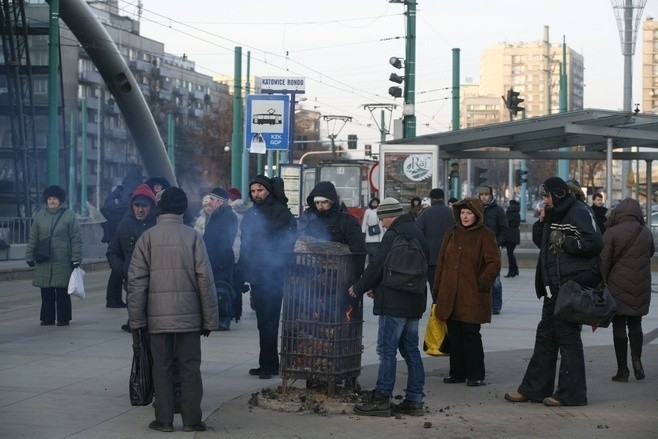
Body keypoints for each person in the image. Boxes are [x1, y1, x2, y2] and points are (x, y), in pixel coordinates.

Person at [127, 186, 219, 433]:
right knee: (190, 367)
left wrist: (136, 321)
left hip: (157, 320)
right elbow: (205, 280)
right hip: (189, 318)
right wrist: (210, 320)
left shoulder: (148, 237)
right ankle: (192, 420)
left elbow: (136, 282)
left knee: (162, 367)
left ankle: (164, 420)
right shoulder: (193, 237)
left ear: (160, 207)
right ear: (183, 209)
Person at [505, 176, 603, 407]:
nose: (544, 201)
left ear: (557, 195)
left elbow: (595, 242)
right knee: (545, 337)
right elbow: (543, 243)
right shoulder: (553, 213)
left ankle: (572, 394)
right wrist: (541, 222)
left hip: (571, 287)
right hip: (553, 287)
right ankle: (534, 389)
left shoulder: (578, 211)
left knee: (568, 339)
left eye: (547, 196)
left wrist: (566, 242)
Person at [348, 198, 430, 417]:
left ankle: (382, 399)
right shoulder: (416, 231)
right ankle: (415, 400)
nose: (382, 224)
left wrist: (359, 287)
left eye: (383, 219)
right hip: (415, 301)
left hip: (394, 304)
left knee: (386, 350)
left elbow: (377, 266)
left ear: (391, 216)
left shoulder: (393, 235)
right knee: (411, 350)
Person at [433, 197, 500, 387]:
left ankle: (476, 374)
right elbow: (442, 262)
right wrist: (437, 288)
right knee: (454, 335)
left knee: (471, 335)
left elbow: (494, 263)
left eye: (469, 213)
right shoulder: (451, 233)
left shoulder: (485, 235)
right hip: (450, 294)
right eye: (462, 212)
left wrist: (481, 283)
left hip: (472, 296)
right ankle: (457, 373)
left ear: (477, 215)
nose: (465, 216)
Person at [238, 175, 297, 379]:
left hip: (274, 275)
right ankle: (267, 363)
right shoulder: (251, 214)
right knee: (263, 322)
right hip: (257, 276)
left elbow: (287, 242)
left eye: (260, 190)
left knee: (269, 321)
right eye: (253, 191)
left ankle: (270, 366)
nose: (256, 195)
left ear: (268, 191)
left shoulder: (280, 212)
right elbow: (246, 244)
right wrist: (242, 272)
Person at [600, 198, 654, 382]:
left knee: (619, 325)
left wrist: (601, 284)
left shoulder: (611, 233)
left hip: (618, 285)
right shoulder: (645, 231)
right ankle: (637, 360)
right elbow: (651, 252)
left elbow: (604, 262)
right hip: (641, 284)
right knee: (636, 323)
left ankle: (622, 370)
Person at [25, 185, 82, 326]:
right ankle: (47, 318)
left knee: (62, 290)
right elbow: (33, 238)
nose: (51, 201)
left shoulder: (69, 215)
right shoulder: (39, 216)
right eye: (49, 198)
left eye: (54, 198)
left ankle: (63, 318)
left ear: (60, 200)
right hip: (44, 258)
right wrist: (29, 256)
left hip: (62, 258)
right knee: (46, 290)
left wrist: (76, 258)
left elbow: (76, 238)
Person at [106, 183, 157, 333]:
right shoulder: (124, 225)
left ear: (151, 207)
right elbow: (113, 252)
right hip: (132, 279)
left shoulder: (158, 225)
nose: (140, 209)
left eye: (144, 206)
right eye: (137, 205)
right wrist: (122, 269)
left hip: (155, 279)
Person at [100, 169, 143, 308]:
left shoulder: (117, 194)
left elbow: (108, 207)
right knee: (118, 270)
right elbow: (107, 207)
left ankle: (114, 299)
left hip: (117, 235)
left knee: (118, 270)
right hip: (120, 236)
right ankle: (113, 299)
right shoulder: (121, 193)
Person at [299, 181, 365, 253]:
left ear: (332, 202)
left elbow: (358, 250)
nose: (320, 207)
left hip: (341, 263)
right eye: (317, 203)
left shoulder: (347, 220)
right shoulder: (310, 219)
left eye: (324, 202)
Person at [415, 188, 455, 289]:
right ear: (443, 198)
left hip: (431, 258)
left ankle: (436, 303)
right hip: (449, 256)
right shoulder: (452, 213)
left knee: (434, 286)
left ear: (431, 199)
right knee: (447, 286)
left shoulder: (425, 213)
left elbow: (418, 233)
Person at [477, 186, 508, 315]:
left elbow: (504, 229)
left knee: (495, 279)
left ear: (491, 195)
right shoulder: (475, 209)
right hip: (477, 249)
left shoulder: (498, 210)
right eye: (481, 195)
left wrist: (497, 243)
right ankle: (480, 304)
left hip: (493, 249)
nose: (484, 197)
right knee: (478, 277)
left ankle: (496, 305)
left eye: (486, 194)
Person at [361, 197, 384, 263]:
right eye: (373, 202)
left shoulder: (380, 210)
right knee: (370, 251)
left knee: (377, 251)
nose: (374, 204)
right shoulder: (367, 211)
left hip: (379, 234)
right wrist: (363, 232)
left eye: (376, 203)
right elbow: (364, 222)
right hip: (370, 234)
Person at [504, 199, 521, 278]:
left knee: (510, 254)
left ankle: (512, 271)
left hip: (509, 235)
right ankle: (515, 270)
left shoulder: (509, 213)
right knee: (511, 253)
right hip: (516, 235)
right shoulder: (517, 213)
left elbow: (506, 224)